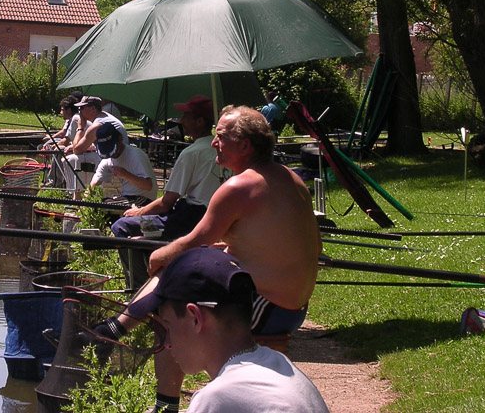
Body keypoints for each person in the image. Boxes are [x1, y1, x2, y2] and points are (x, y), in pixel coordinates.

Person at [92, 105, 322, 413]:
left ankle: (162, 401)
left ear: (244, 145)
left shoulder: (240, 186)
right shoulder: (291, 179)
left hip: (269, 306)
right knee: (186, 267)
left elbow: (194, 240)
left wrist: (159, 254)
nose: (214, 143)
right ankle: (115, 329)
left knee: (172, 305)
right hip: (294, 306)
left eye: (222, 137)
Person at [127, 247, 329, 413]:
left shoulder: (219, 399)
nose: (167, 342)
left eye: (168, 325)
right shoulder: (279, 365)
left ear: (195, 318)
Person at [111, 95, 231, 289]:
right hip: (212, 217)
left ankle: (140, 287)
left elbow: (166, 202)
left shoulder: (192, 153)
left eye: (186, 116)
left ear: (199, 121)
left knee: (122, 227)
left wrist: (138, 212)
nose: (181, 121)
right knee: (143, 230)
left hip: (189, 220)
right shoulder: (225, 150)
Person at [63, 96, 128, 197]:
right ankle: (78, 194)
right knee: (74, 158)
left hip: (115, 159)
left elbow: (77, 150)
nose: (79, 111)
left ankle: (77, 197)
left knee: (72, 159)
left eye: (82, 108)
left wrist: (80, 128)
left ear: (93, 109)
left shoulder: (97, 125)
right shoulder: (105, 117)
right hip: (118, 155)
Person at [90, 122, 158, 205]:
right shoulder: (107, 161)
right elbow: (93, 185)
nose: (112, 155)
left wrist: (125, 174)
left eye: (112, 150)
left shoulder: (136, 155)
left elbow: (148, 186)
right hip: (125, 198)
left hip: (144, 199)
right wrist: (86, 203)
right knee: (98, 204)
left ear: (120, 139)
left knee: (108, 206)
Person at [40, 96, 80, 186]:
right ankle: (58, 180)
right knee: (58, 147)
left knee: (59, 149)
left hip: (80, 149)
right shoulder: (73, 118)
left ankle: (55, 182)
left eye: (62, 110)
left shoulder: (75, 119)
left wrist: (51, 147)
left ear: (69, 110)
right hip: (76, 146)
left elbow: (66, 140)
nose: (61, 113)